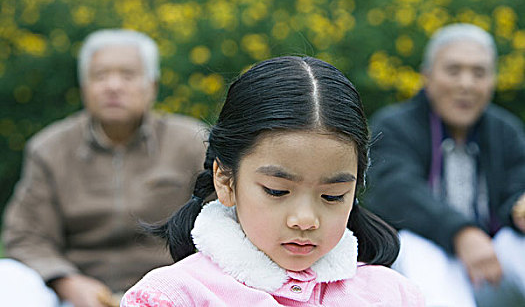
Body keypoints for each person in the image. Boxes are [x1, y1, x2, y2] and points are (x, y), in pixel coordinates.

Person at [119, 56, 425, 306]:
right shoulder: (171, 297)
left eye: (332, 196)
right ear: (225, 181)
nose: (305, 220)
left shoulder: (394, 295)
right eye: (277, 191)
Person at [0, 29, 206, 307]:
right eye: (100, 76)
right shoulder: (50, 148)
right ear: (84, 87)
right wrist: (67, 282)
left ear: (152, 86)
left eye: (127, 75)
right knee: (7, 278)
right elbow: (25, 235)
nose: (113, 86)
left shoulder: (192, 142)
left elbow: (220, 220)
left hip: (173, 289)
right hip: (76, 292)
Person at [364, 23, 525, 306]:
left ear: (492, 80)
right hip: (421, 268)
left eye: (479, 73)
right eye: (453, 71)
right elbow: (396, 191)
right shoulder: (394, 126)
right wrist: (462, 233)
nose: (466, 84)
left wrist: (518, 207)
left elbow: (517, 184)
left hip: (490, 267)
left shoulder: (506, 131)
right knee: (416, 246)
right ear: (427, 76)